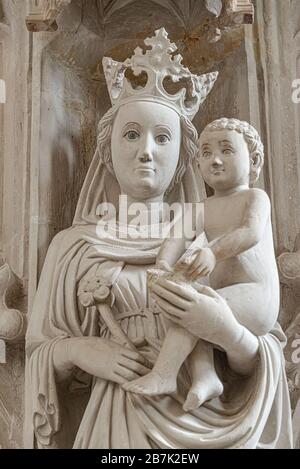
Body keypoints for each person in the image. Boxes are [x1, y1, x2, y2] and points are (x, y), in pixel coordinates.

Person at [24, 29, 292, 449]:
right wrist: (79, 351)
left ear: (187, 157)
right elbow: (38, 350)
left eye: (162, 138)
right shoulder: (73, 246)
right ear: (108, 152)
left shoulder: (209, 235)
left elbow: (262, 348)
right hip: (117, 423)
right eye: (131, 134)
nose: (146, 151)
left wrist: (224, 330)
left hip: (212, 421)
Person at [125, 118, 280, 413]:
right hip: (223, 297)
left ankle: (164, 374)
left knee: (192, 305)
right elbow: (178, 236)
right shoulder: (202, 208)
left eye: (226, 150)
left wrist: (212, 252)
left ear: (254, 160)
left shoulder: (254, 197)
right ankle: (205, 375)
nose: (215, 160)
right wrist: (163, 267)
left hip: (257, 296)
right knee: (176, 299)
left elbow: (250, 233)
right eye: (206, 153)